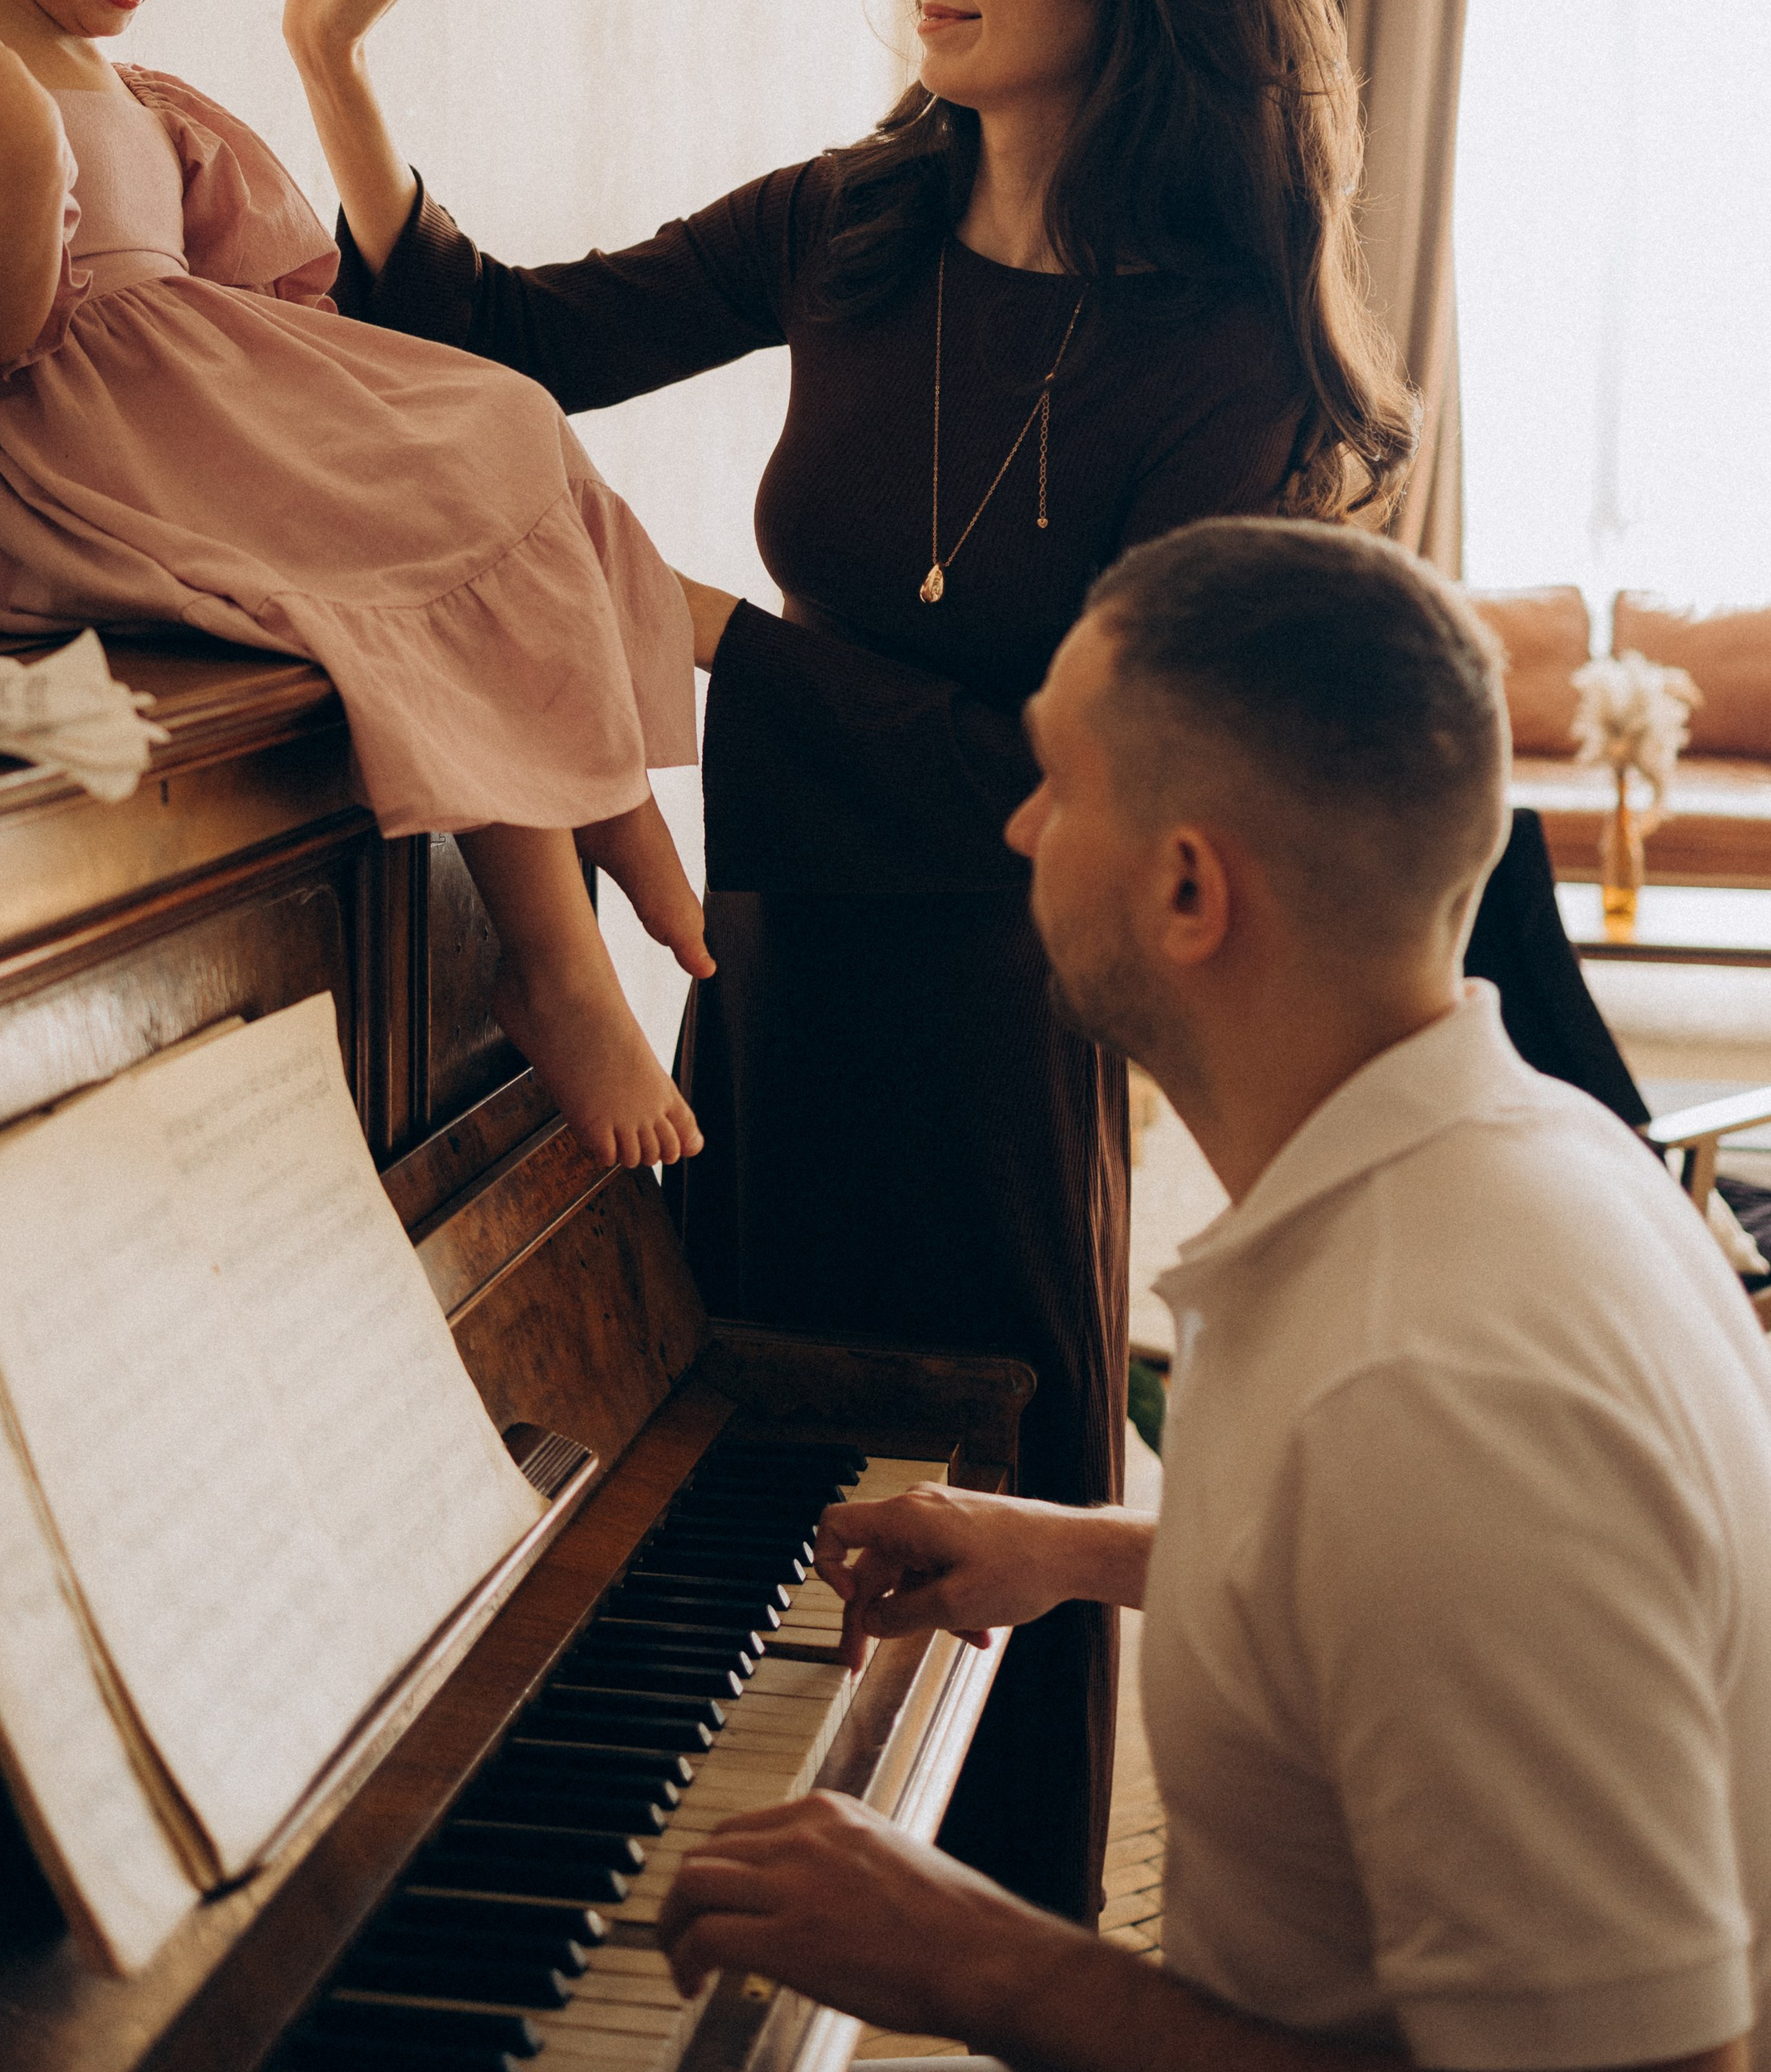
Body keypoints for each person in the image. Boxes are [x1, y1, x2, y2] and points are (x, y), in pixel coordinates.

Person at [286, 0, 1415, 1918]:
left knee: (982, 1530)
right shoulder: (854, 222)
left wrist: (721, 642)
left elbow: (1100, 782)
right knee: (739, 1526)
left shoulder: (1234, 352)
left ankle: (999, 1962)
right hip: (768, 968)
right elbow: (507, 346)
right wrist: (337, 66)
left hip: (1003, 1007)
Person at [660, 518, 1771, 2072]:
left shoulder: (1433, 1392)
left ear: (1189, 889)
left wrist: (982, 1962)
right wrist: (1082, 1550)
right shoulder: (1533, 1146)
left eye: (1057, 782)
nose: (1018, 827)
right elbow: (1391, 1571)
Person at [0, 0, 712, 1173]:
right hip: (103, 468)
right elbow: (6, 338)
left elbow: (280, 296)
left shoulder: (139, 94)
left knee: (498, 417)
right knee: (448, 481)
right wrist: (23, 151)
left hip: (202, 422)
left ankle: (607, 799)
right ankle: (557, 964)